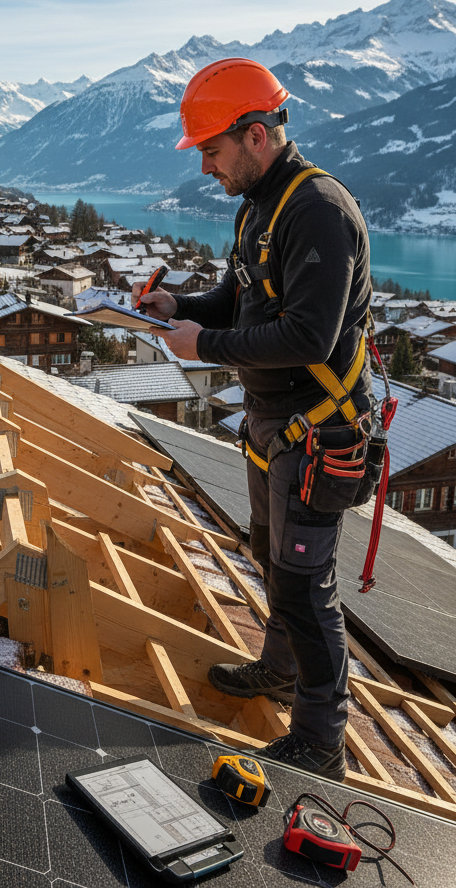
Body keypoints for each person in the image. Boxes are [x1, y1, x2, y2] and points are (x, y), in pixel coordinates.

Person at [133, 58, 372, 781]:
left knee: (306, 588)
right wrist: (181, 309)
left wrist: (204, 346)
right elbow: (241, 301)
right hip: (275, 427)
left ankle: (321, 737)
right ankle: (277, 671)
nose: (206, 166)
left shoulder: (318, 211)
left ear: (257, 135)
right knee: (276, 567)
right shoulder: (258, 208)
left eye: (211, 149)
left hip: (319, 432)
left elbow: (309, 337)